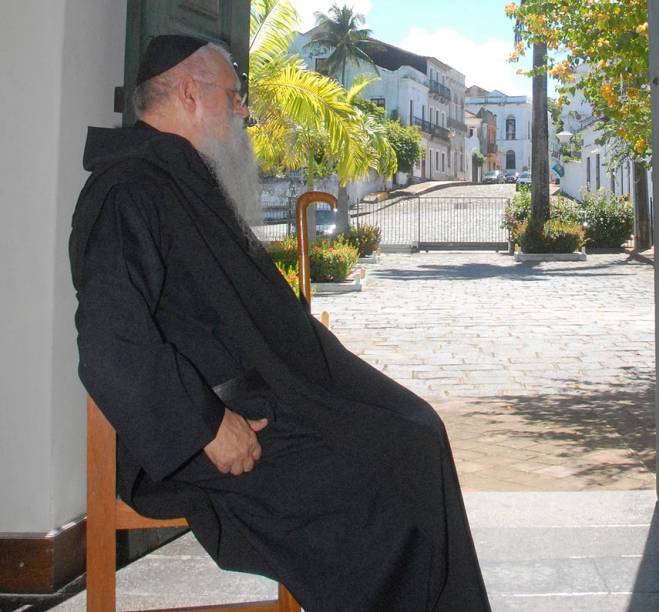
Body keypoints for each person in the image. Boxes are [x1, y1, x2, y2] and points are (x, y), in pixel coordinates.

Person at [69, 35, 490, 611]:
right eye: (234, 95)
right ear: (190, 93)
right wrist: (207, 425)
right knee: (388, 481)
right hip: (207, 431)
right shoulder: (129, 190)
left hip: (256, 403)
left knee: (415, 433)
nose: (244, 109)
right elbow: (109, 344)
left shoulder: (177, 179)